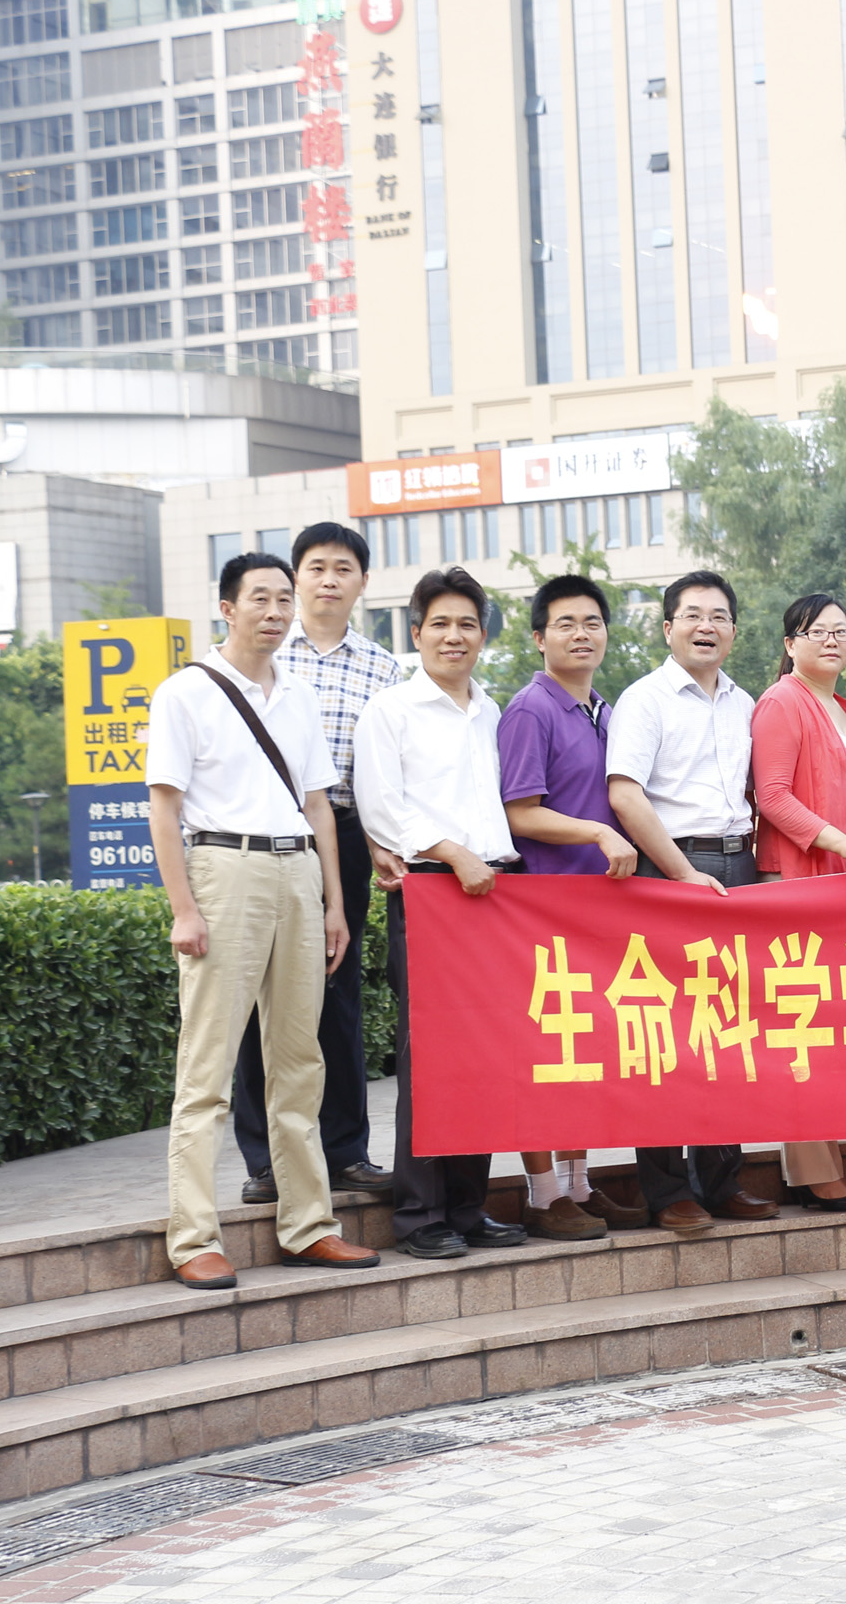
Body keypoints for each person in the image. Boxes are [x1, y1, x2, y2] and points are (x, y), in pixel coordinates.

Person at [145, 552, 378, 1289]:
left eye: (283, 599)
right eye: (261, 599)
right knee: (208, 1066)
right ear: (227, 608)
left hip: (298, 871)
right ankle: (193, 1238)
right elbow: (163, 809)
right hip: (225, 868)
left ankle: (310, 1226)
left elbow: (318, 806)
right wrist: (184, 908)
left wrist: (334, 902)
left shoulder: (299, 695)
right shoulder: (185, 692)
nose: (276, 612)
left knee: (300, 1062)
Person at [354, 567, 531, 1261]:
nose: (453, 636)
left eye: (466, 625)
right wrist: (453, 853)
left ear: (482, 635)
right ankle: (419, 1215)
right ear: (417, 632)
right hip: (431, 893)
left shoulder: (492, 711)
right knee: (430, 1061)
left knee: (485, 1058)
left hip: (495, 895)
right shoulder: (391, 710)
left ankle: (467, 1207)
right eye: (440, 624)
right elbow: (381, 807)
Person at [606, 570, 782, 1235]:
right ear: (667, 627)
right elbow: (625, 795)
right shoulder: (644, 700)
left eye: (719, 617)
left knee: (730, 1030)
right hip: (670, 866)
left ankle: (723, 1178)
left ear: (734, 631)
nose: (707, 626)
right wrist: (681, 874)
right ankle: (667, 1188)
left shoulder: (745, 703)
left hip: (739, 865)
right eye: (693, 615)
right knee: (664, 1031)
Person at [231, 522, 398, 1210]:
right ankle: (265, 1161)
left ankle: (346, 1150)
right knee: (256, 999)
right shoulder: (262, 653)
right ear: (296, 579)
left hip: (344, 836)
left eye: (343, 568)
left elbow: (385, 771)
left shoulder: (385, 669)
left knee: (338, 992)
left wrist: (385, 842)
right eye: (317, 568)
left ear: (363, 583)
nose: (330, 580)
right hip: (261, 831)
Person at [498, 573, 644, 1240]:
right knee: (543, 1055)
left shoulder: (603, 711)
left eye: (592, 622)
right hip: (544, 907)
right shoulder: (530, 710)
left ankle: (580, 1185)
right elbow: (520, 812)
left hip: (598, 908)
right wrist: (595, 833)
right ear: (539, 637)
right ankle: (542, 1194)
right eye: (565, 623)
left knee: (583, 1051)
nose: (581, 634)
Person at [751, 592, 846, 1214]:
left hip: (845, 880)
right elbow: (773, 796)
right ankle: (811, 1172)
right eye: (817, 631)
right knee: (801, 1026)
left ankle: (829, 1162)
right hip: (801, 878)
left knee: (834, 1026)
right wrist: (840, 841)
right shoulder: (783, 701)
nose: (831, 640)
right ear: (790, 644)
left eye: (841, 631)